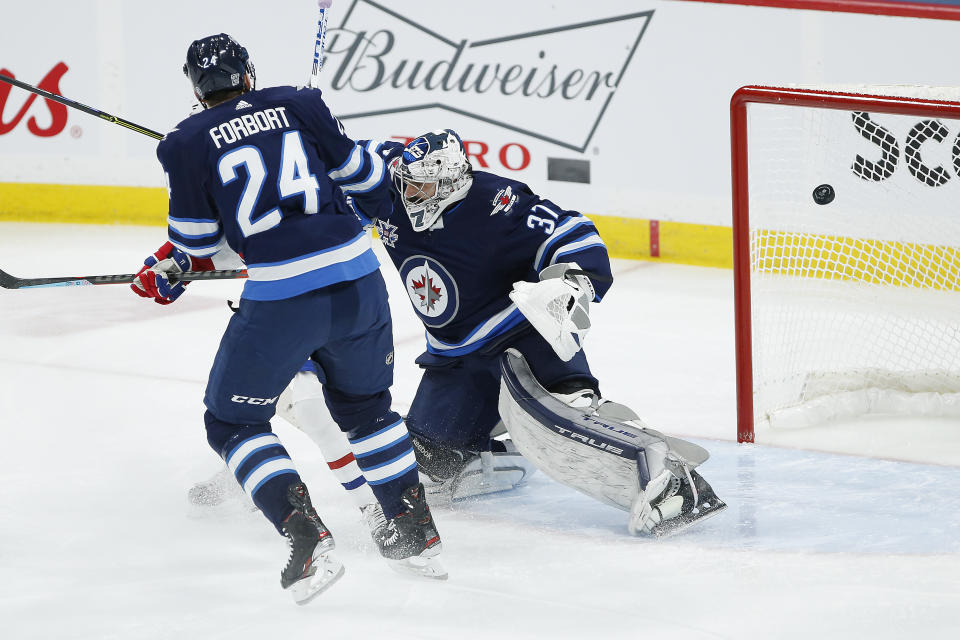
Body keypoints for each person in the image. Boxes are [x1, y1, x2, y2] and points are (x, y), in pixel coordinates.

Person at [267, 129, 726, 537]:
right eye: (405, 184)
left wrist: (574, 281)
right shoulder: (390, 184)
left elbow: (573, 231)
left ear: (449, 184)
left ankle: (675, 483)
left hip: (521, 339)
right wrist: (309, 148)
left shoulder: (497, 201)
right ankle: (495, 454)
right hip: (454, 361)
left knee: (567, 419)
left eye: (420, 186)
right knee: (428, 463)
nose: (408, 196)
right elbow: (346, 154)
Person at [131, 34, 445, 604]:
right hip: (359, 280)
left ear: (196, 89)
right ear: (249, 72)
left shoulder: (184, 142)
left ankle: (307, 535)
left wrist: (169, 266)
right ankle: (416, 531)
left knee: (232, 423)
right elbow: (366, 181)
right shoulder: (302, 103)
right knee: (369, 412)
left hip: (284, 299)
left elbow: (198, 243)